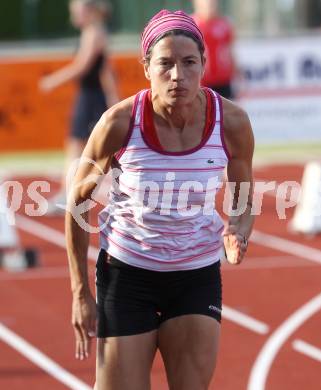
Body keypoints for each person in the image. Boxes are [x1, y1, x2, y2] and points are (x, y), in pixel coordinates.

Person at [65, 9, 254, 390]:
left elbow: (244, 196)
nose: (178, 76)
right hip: (127, 273)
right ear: (146, 66)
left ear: (204, 62)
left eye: (188, 63)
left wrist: (239, 227)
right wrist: (80, 292)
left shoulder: (231, 121)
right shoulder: (119, 122)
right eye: (165, 64)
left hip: (194, 275)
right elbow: (77, 202)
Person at [39, 0, 118, 213]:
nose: (73, 16)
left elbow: (82, 66)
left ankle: (69, 195)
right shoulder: (93, 32)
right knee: (82, 146)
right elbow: (106, 69)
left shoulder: (94, 32)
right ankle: (70, 193)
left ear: (90, 11)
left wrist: (53, 80)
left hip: (92, 98)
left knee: (83, 146)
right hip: (89, 96)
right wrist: (112, 96)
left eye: (76, 11)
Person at [192, 0, 236, 99]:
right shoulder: (191, 24)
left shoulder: (224, 24)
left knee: (225, 111)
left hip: (223, 80)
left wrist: (236, 73)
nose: (209, 4)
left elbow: (231, 51)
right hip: (201, 81)